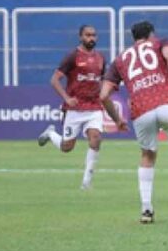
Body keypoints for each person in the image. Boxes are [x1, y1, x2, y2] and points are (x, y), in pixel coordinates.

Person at [99, 21, 168, 224]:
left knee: (147, 156)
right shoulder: (160, 43)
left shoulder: (120, 59)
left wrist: (117, 119)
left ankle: (146, 210)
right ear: (151, 34)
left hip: (141, 110)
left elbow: (103, 95)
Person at [38, 25, 126, 190]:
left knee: (96, 139)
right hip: (75, 109)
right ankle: (50, 134)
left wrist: (114, 115)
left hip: (94, 107)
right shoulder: (73, 56)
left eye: (94, 35)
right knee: (67, 147)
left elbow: (101, 82)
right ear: (80, 37)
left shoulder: (101, 58)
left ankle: (86, 182)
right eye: (87, 35)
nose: (91, 38)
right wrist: (67, 98)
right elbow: (54, 80)